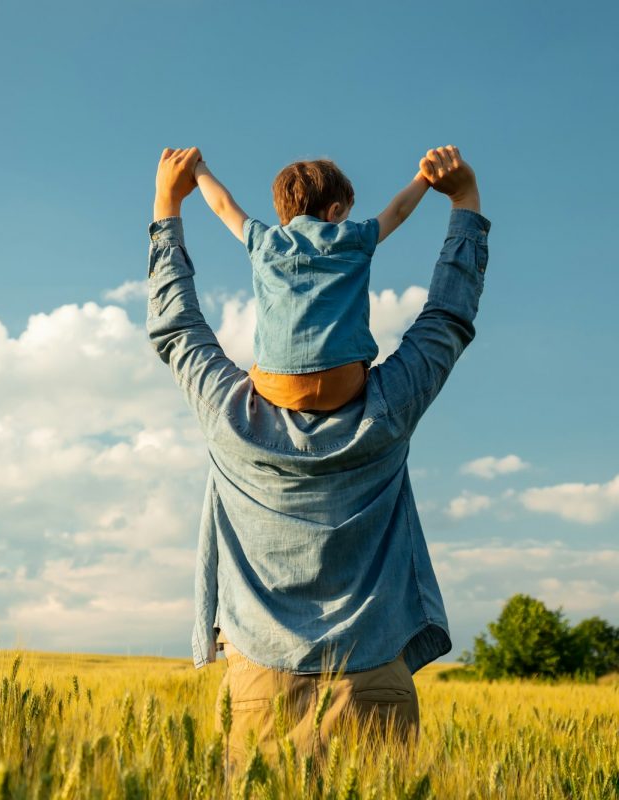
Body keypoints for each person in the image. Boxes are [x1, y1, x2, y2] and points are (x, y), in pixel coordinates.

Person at [147, 145, 489, 770]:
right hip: (375, 686)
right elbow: (448, 317)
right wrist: (464, 202)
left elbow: (177, 328)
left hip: (257, 698)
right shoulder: (388, 410)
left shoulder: (229, 418)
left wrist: (168, 207)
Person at [194, 156, 430, 411]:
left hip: (278, 386)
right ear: (334, 211)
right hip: (343, 383)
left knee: (254, 370)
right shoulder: (354, 237)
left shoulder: (263, 241)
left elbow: (222, 205)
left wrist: (198, 168)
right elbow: (398, 211)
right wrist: (424, 178)